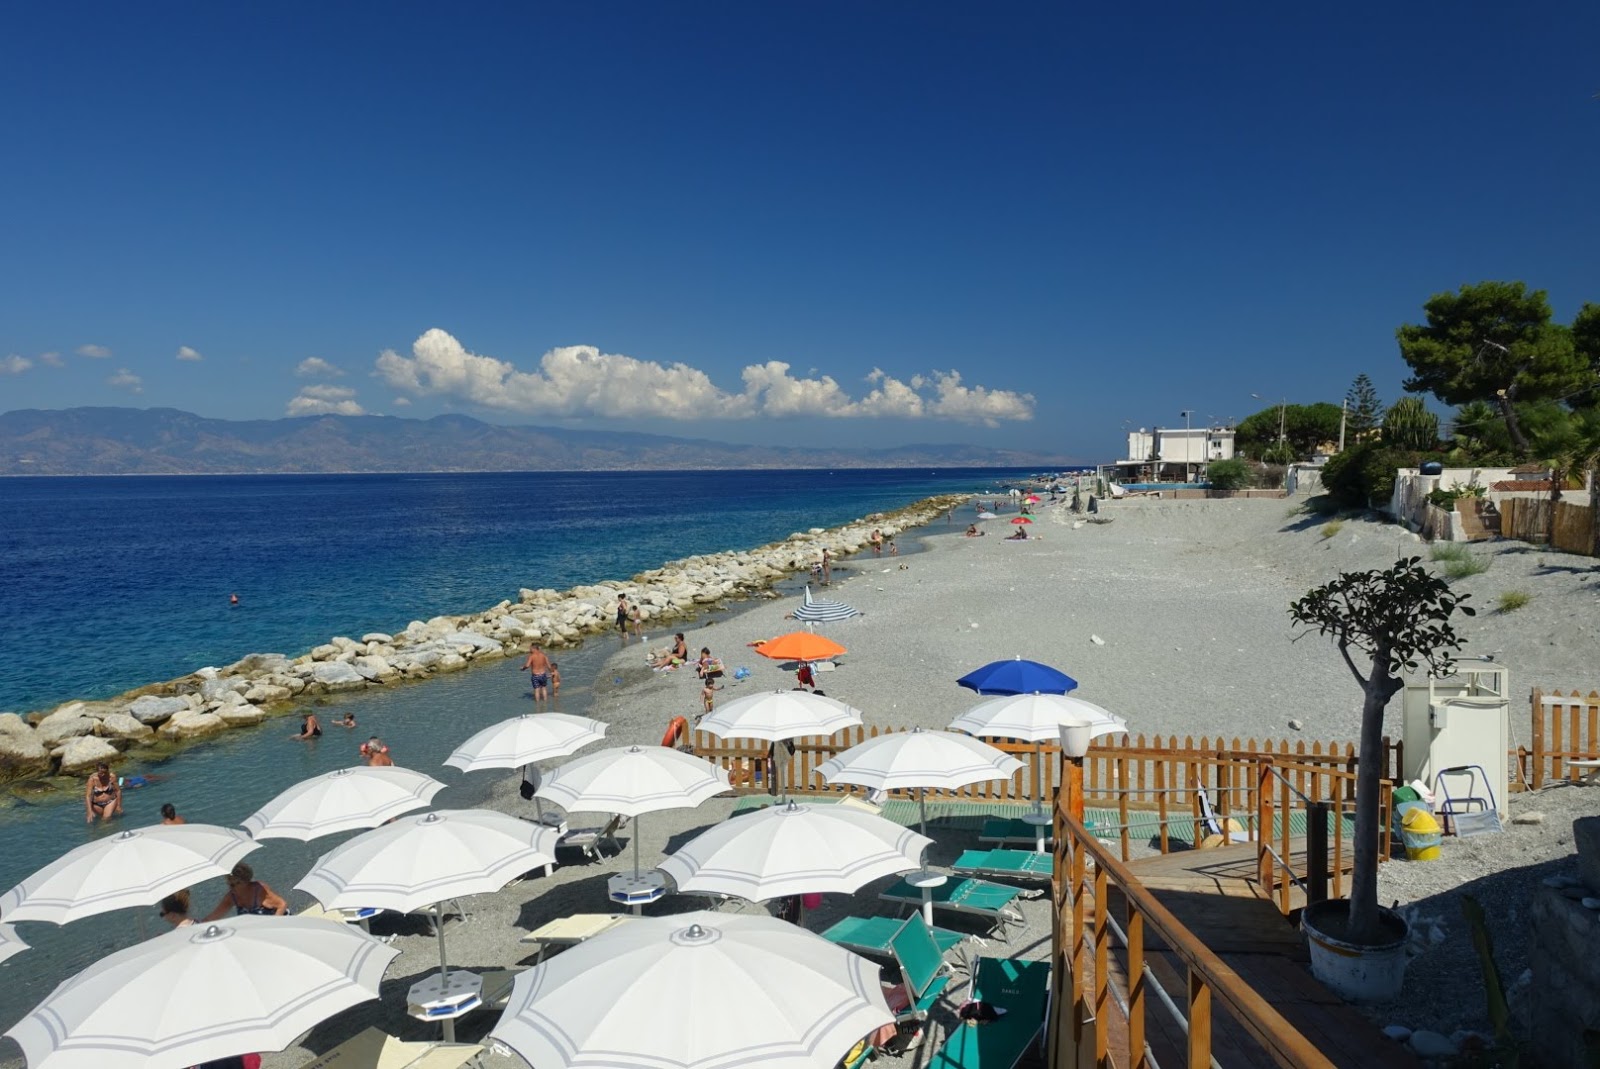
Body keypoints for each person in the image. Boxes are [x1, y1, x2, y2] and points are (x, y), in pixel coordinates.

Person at [202, 862, 287, 920]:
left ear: (246, 881)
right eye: (229, 884)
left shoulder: (259, 890)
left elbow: (282, 905)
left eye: (234, 884)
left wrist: (273, 925)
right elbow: (213, 917)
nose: (231, 888)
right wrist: (195, 925)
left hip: (281, 924)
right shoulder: (232, 897)